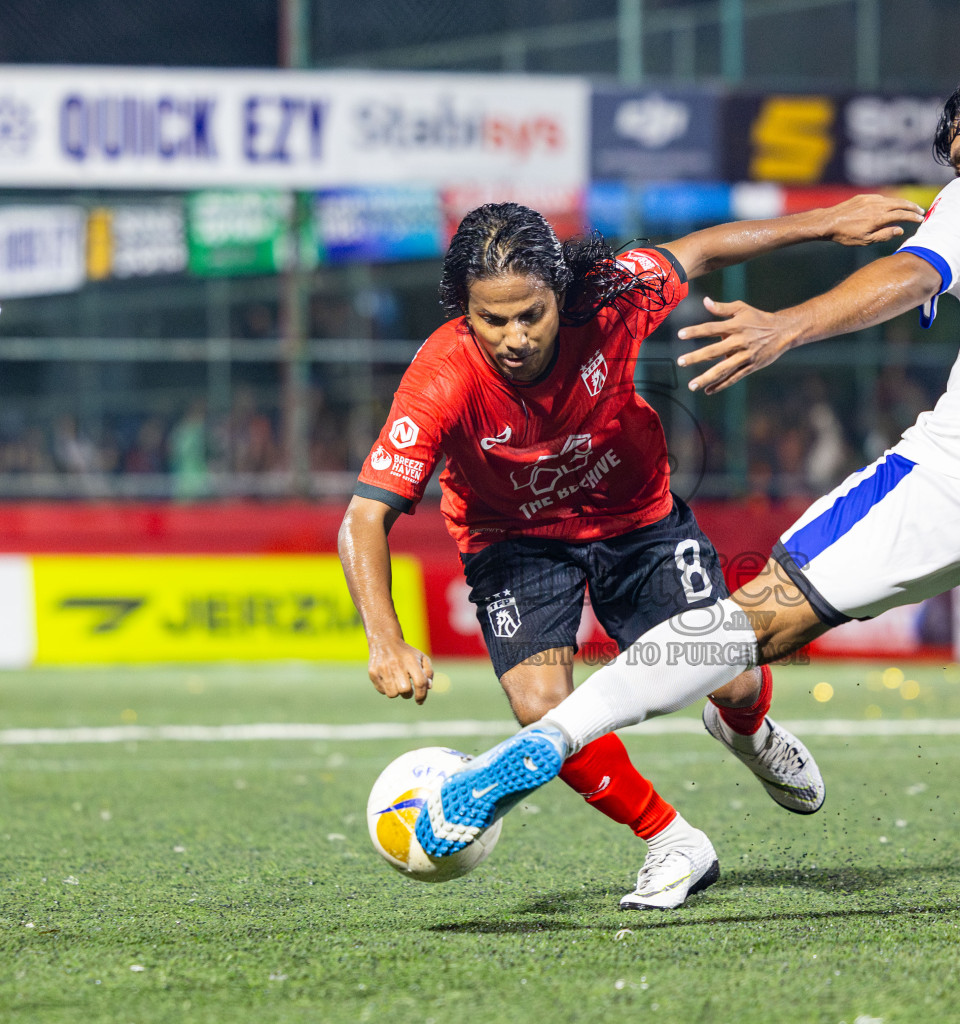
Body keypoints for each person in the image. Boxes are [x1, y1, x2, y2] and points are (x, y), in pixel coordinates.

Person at [418, 61, 960, 918]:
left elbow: (915, 274)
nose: (957, 177)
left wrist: (789, 325)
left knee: (752, 619)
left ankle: (535, 749)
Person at [338, 196, 924, 909]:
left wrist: (824, 223)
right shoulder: (441, 376)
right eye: (492, 319)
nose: (514, 337)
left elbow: (704, 249)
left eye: (531, 314)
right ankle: (672, 840)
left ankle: (747, 729)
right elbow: (365, 516)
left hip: (636, 518)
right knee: (538, 704)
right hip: (512, 540)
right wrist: (386, 639)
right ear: (465, 309)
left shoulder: (616, 295)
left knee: (734, 679)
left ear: (561, 292)